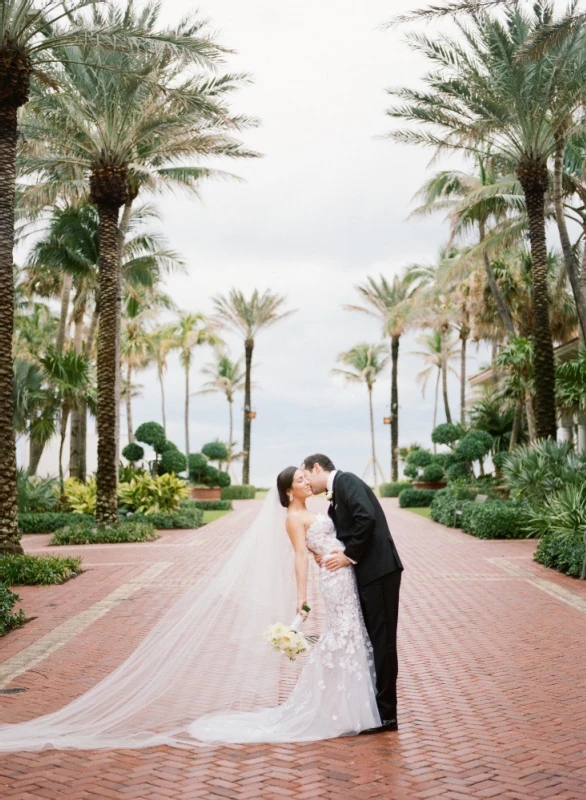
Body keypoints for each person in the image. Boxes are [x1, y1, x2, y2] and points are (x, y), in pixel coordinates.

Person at [188, 466, 381, 742]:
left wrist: (327, 551)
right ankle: (341, 708)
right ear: (289, 491)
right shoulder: (293, 518)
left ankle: (349, 705)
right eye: (299, 480)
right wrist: (302, 597)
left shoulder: (313, 512)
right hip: (334, 578)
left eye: (305, 477)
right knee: (343, 633)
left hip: (343, 571)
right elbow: (300, 555)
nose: (306, 482)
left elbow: (320, 543)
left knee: (350, 632)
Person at [301, 454, 403, 733]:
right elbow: (347, 529)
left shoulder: (346, 481)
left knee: (383, 642)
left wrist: (348, 555)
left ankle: (387, 717)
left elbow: (366, 518)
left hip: (380, 571)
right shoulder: (337, 492)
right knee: (374, 639)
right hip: (368, 573)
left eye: (307, 476)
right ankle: (376, 709)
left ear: (317, 468)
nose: (307, 484)